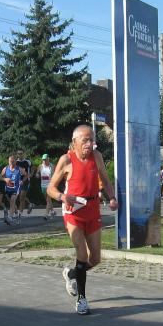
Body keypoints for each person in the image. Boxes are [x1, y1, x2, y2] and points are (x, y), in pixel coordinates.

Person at [46, 125, 118, 315]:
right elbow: (51, 188)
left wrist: (112, 197)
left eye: (92, 140)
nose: (89, 144)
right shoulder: (66, 159)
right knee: (82, 255)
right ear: (75, 141)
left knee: (95, 259)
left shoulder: (97, 156)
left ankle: (71, 273)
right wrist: (62, 196)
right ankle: (82, 299)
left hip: (92, 209)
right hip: (73, 211)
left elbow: (105, 180)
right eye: (85, 140)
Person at [0, 154, 24, 225]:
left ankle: (10, 217)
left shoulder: (19, 169)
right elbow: (0, 177)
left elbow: (26, 175)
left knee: (13, 201)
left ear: (15, 161)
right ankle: (17, 214)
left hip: (15, 189)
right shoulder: (5, 168)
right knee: (12, 203)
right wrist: (5, 179)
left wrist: (22, 181)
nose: (11, 163)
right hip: (8, 189)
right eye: (10, 161)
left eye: (13, 161)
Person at [35, 153, 56, 220]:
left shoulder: (52, 166)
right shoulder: (40, 166)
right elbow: (37, 173)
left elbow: (55, 175)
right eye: (43, 160)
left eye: (45, 159)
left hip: (50, 185)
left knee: (48, 200)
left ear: (48, 159)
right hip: (43, 185)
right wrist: (37, 175)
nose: (44, 161)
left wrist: (53, 181)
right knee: (47, 200)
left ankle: (46, 214)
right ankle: (53, 211)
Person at [16, 149, 33, 218]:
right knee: (19, 196)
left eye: (21, 153)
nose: (20, 155)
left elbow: (33, 168)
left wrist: (31, 174)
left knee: (22, 196)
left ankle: (20, 213)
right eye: (18, 153)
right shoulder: (16, 162)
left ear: (23, 154)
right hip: (17, 181)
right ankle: (30, 204)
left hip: (26, 180)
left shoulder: (27, 161)